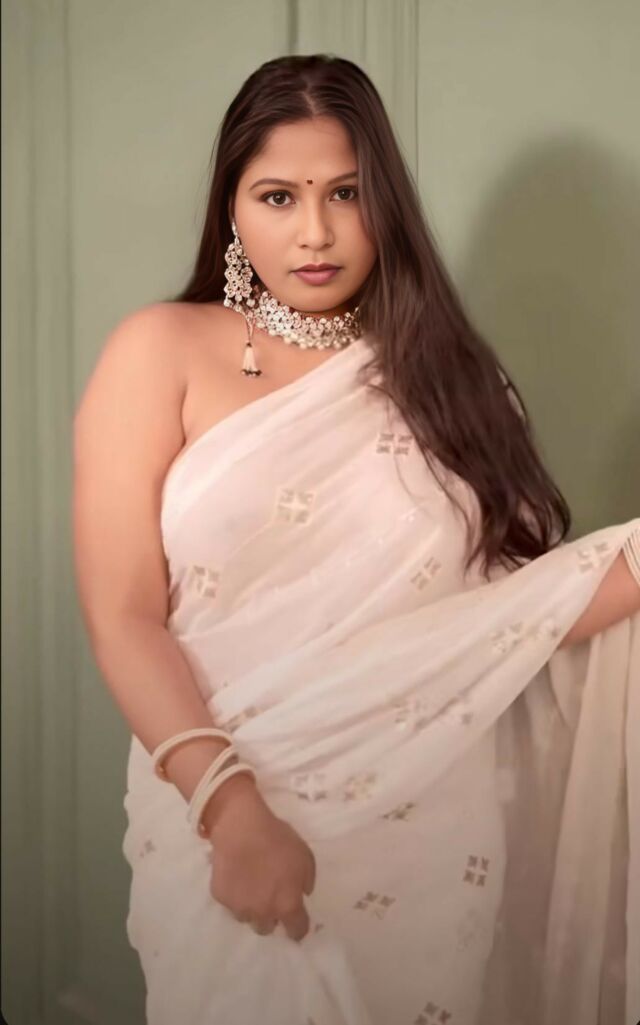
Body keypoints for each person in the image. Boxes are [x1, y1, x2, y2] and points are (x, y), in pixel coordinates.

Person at [72, 54, 640, 1025]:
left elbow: (509, 620)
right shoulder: (160, 351)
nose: (316, 231)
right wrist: (230, 808)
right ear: (231, 205)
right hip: (222, 803)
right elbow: (123, 614)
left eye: (346, 192)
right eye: (278, 196)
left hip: (425, 818)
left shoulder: (451, 380)